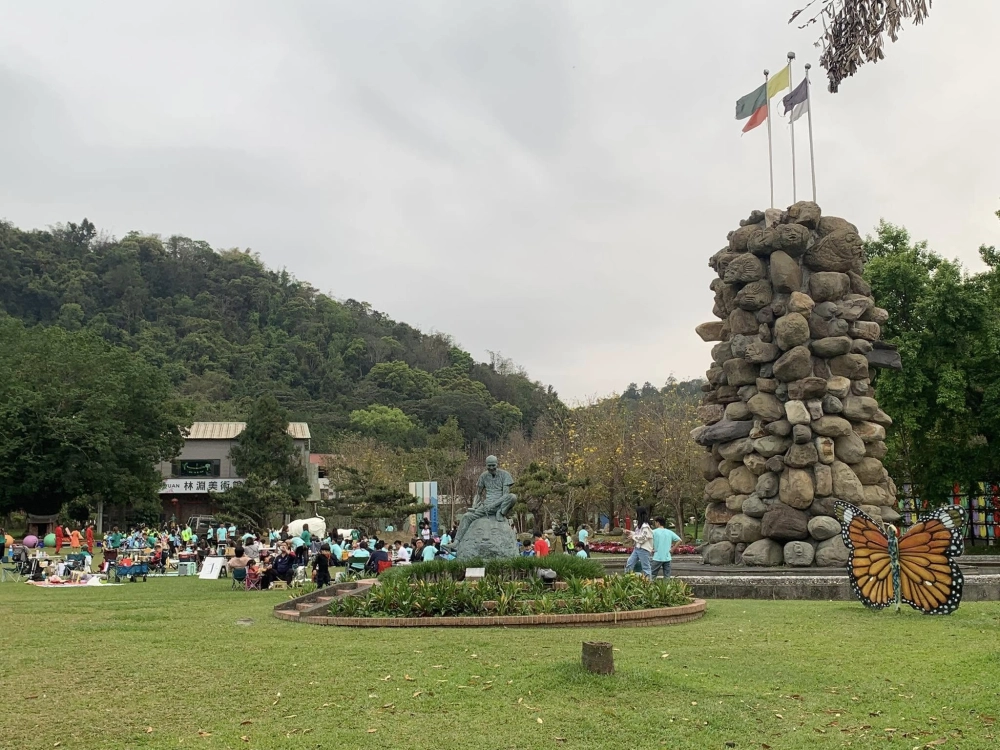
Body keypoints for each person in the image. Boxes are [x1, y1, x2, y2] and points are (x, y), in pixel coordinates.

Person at [453, 456, 518, 548]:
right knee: (466, 516)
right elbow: (478, 494)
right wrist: (474, 505)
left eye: (493, 465)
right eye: (489, 466)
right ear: (486, 465)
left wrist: (493, 505)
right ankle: (456, 542)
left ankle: (501, 512)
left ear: (497, 464)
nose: (491, 468)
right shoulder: (483, 476)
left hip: (500, 505)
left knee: (513, 497)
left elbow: (505, 495)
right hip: (486, 506)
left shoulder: (505, 475)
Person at [623, 508, 654, 580]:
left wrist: (633, 536)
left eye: (636, 513)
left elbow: (643, 538)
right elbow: (638, 534)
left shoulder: (645, 526)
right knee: (629, 563)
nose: (635, 515)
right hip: (637, 548)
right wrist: (630, 532)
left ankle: (649, 583)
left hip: (643, 549)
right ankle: (627, 579)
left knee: (646, 567)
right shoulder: (640, 526)